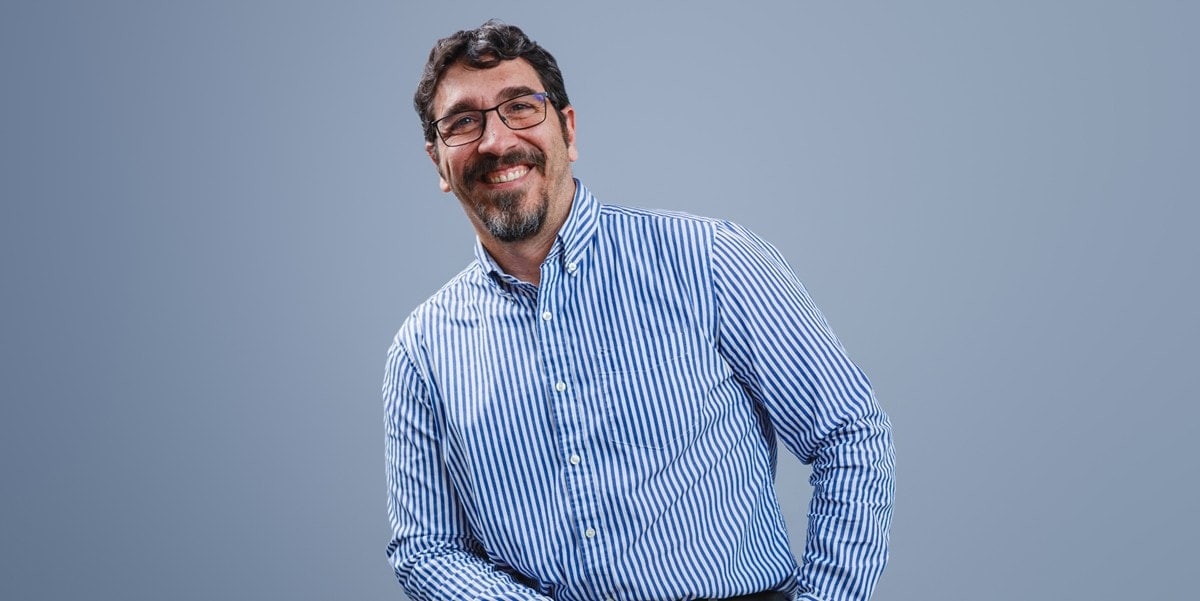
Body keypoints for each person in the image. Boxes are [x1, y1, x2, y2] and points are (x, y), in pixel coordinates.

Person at [384, 20, 895, 601]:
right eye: (463, 123)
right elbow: (426, 549)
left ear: (568, 131)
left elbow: (850, 435)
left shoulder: (710, 261)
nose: (497, 142)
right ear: (438, 163)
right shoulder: (422, 350)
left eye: (520, 107)